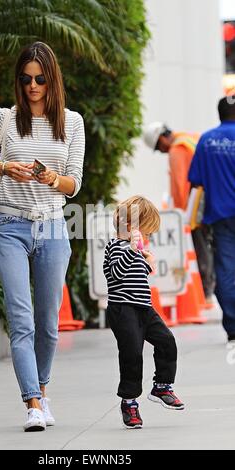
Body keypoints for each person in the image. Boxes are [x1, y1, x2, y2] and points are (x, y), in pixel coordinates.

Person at [0, 42, 85, 431]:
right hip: (9, 227)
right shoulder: (4, 118)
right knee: (22, 321)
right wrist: (3, 168)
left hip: (52, 226)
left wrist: (52, 177)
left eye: (40, 79)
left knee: (48, 324)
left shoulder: (72, 122)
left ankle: (43, 391)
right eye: (25, 79)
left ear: (52, 80)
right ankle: (32, 404)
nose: (33, 85)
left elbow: (74, 185)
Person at [103, 195, 184, 429]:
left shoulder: (135, 251)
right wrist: (132, 250)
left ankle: (162, 385)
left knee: (167, 341)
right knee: (132, 354)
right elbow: (116, 273)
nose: (147, 239)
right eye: (146, 233)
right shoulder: (116, 247)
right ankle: (129, 402)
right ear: (130, 228)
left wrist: (147, 262)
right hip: (123, 310)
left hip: (143, 308)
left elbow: (135, 278)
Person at [143, 122, 214, 305]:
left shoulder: (177, 150)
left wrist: (182, 216)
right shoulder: (190, 137)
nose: (162, 152)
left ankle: (206, 292)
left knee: (199, 246)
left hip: (196, 206)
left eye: (159, 148)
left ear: (161, 139)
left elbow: (181, 185)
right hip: (213, 200)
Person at [188, 95, 235, 343]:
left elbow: (195, 179)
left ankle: (233, 325)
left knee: (226, 268)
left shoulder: (206, 140)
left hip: (220, 215)